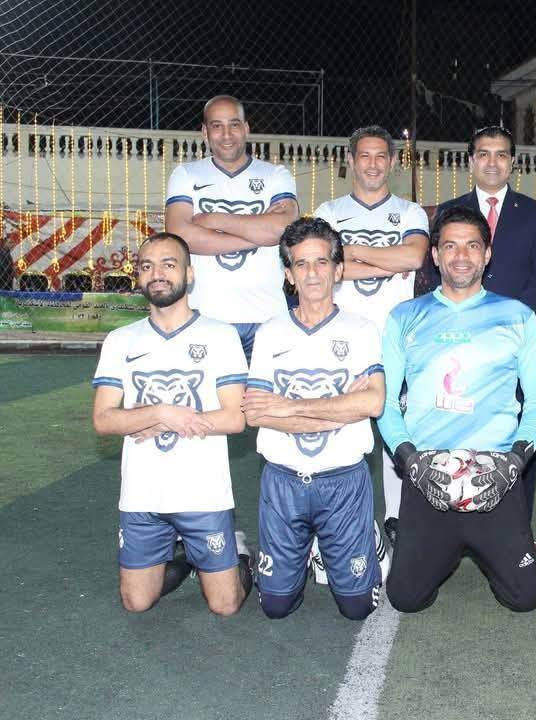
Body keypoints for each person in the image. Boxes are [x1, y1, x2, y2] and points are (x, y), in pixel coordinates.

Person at [378, 205, 536, 613]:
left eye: (472, 246)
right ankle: (442, 545)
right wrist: (410, 460)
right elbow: (385, 402)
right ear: (435, 255)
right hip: (429, 474)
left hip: (494, 474)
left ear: (487, 254)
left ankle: (487, 543)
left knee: (525, 598)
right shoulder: (405, 316)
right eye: (450, 246)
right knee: (405, 598)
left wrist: (515, 462)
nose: (461, 255)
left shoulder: (517, 316)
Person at [91, 232, 253, 615]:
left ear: (189, 274)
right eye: (147, 266)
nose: (157, 274)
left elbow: (236, 417)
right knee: (137, 602)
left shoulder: (220, 335)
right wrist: (160, 413)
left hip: (203, 493)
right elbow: (103, 419)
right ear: (139, 276)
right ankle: (186, 558)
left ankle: (239, 553)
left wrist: (156, 419)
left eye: (168, 264)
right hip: (143, 494)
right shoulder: (120, 340)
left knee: (225, 605)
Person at [242, 217, 388, 620]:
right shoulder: (270, 332)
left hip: (343, 481)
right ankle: (304, 549)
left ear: (338, 270)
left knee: (358, 607)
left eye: (322, 262)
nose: (312, 273)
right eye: (301, 264)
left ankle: (366, 539)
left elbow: (374, 403)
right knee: (276, 606)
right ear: (288, 274)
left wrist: (288, 405)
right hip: (283, 481)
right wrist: (340, 408)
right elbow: (256, 412)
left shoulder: (362, 330)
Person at [314, 125, 429, 552]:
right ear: (351, 160)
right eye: (364, 155)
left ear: (393, 161)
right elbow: (325, 266)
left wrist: (351, 253)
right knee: (343, 429)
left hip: (396, 337)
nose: (373, 164)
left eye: (381, 156)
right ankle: (344, 518)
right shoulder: (329, 211)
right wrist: (385, 261)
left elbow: (413, 257)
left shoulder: (411, 212)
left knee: (395, 429)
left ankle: (398, 518)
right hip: (341, 339)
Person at [435, 125, 536, 521]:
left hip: (513, 342)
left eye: (501, 154)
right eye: (483, 154)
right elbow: (436, 271)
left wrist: (506, 321)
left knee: (521, 430)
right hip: (459, 342)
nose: (492, 162)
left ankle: (519, 525)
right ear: (471, 161)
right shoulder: (450, 211)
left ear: (512, 162)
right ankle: (454, 518)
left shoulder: (533, 213)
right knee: (458, 424)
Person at [164, 95, 300, 359]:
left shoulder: (275, 175)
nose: (227, 135)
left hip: (268, 317)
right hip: (205, 317)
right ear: (205, 132)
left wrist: (214, 220)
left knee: (265, 389)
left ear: (246, 128)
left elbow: (283, 229)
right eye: (217, 126)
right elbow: (180, 236)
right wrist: (259, 234)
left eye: (234, 124)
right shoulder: (186, 174)